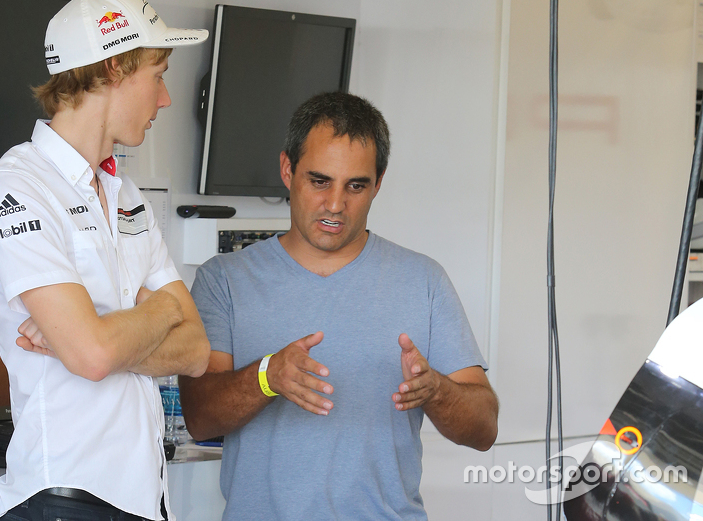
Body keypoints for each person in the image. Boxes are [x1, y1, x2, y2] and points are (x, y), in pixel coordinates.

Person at [180, 91, 499, 520]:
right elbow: (199, 417)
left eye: (355, 186)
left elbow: (484, 429)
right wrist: (268, 376)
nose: (335, 204)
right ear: (287, 170)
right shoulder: (224, 280)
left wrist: (438, 391)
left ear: (378, 183)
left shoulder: (424, 280)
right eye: (319, 180)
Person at [0, 0, 210, 519]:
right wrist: (161, 310)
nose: (166, 98)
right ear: (115, 66)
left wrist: (92, 336)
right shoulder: (16, 187)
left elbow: (194, 350)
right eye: (159, 73)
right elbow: (94, 355)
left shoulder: (127, 195)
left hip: (145, 497)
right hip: (65, 499)